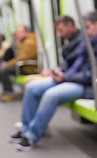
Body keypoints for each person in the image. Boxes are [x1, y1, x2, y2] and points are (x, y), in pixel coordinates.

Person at [8, 11, 97, 151]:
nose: (85, 31)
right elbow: (71, 63)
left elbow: (90, 75)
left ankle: (31, 135)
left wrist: (65, 77)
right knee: (32, 87)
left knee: (51, 95)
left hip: (85, 85)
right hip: (70, 78)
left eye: (88, 27)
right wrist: (57, 72)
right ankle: (25, 129)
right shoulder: (88, 42)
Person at [23, 15, 83, 84]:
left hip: (71, 77)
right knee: (28, 81)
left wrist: (57, 73)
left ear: (70, 26)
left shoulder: (81, 41)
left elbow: (72, 63)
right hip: (66, 75)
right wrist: (54, 71)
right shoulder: (71, 42)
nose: (59, 35)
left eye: (61, 30)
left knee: (32, 86)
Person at [0, 25, 38, 101]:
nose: (17, 34)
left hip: (28, 68)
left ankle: (9, 93)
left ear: (26, 32)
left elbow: (21, 58)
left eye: (19, 32)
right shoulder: (23, 41)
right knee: (3, 69)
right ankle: (6, 91)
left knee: (4, 70)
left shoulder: (29, 43)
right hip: (23, 66)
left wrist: (7, 64)